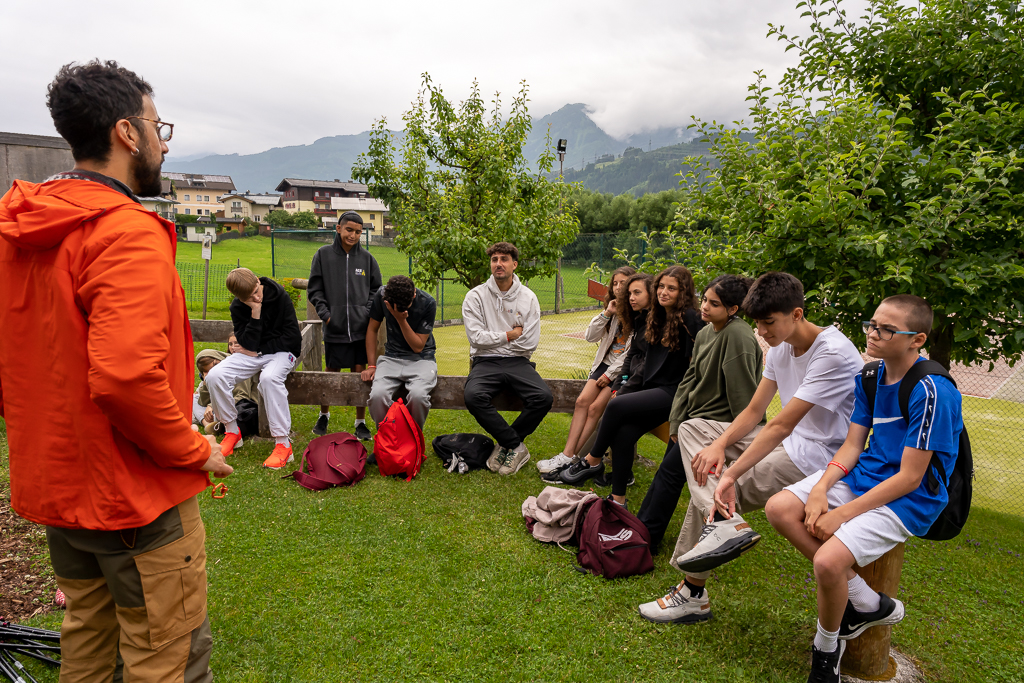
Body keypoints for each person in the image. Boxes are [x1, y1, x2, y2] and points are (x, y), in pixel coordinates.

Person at [0, 59, 231, 681]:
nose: (164, 143)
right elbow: (125, 377)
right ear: (128, 133)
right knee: (167, 657)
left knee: (88, 644)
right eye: (160, 128)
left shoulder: (18, 231)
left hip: (60, 489)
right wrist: (193, 449)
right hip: (136, 498)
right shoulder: (125, 233)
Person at [637, 271, 863, 626]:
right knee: (696, 430)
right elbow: (756, 410)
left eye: (768, 322)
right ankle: (723, 528)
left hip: (819, 456)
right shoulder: (781, 346)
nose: (761, 332)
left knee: (717, 485)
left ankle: (692, 592)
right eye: (757, 322)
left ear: (797, 314)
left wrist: (731, 473)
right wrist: (719, 444)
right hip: (789, 441)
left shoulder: (832, 353)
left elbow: (780, 424)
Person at [765, 295, 962, 682]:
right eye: (872, 325)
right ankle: (866, 600)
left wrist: (840, 514)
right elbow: (853, 445)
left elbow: (911, 477)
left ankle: (826, 649)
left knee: (828, 562)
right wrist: (822, 486)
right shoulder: (870, 377)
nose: (873, 334)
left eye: (886, 330)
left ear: (917, 340)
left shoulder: (933, 391)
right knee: (779, 508)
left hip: (912, 497)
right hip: (866, 474)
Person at [551, 266, 704, 508]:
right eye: (661, 287)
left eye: (671, 288)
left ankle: (592, 460)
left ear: (683, 291)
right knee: (623, 435)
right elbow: (639, 358)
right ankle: (617, 500)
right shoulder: (655, 317)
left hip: (676, 393)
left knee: (616, 405)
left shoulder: (690, 318)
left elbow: (698, 363)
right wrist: (625, 386)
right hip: (652, 389)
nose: (664, 292)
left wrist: (624, 391)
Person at [636, 275, 761, 550]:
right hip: (691, 422)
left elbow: (744, 397)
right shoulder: (705, 332)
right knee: (667, 474)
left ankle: (646, 538)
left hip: (718, 426)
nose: (704, 307)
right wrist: (676, 422)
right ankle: (642, 531)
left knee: (670, 475)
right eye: (704, 299)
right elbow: (688, 380)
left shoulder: (737, 336)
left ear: (733, 309)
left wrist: (728, 441)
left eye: (714, 304)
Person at [462, 242, 553, 475]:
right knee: (473, 396)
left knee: (543, 397)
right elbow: (476, 339)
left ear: (515, 264)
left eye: (504, 259)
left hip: (518, 361)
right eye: (494, 259)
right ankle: (515, 445)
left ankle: (505, 445)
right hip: (485, 360)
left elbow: (529, 342)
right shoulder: (475, 296)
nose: (498, 264)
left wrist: (496, 340)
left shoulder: (528, 298)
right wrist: (509, 335)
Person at [537, 266, 636, 474]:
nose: (618, 287)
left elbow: (632, 353)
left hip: (622, 371)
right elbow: (590, 336)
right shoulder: (613, 310)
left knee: (595, 409)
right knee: (582, 402)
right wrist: (607, 313)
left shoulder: (639, 314)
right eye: (615, 283)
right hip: (604, 364)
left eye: (623, 283)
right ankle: (567, 455)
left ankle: (576, 458)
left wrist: (610, 375)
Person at [207, 267, 301, 469]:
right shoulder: (238, 306)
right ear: (239, 298)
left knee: (269, 378)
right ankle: (232, 431)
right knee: (215, 376)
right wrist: (255, 312)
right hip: (252, 353)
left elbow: (293, 339)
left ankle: (283, 444)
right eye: (249, 298)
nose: (256, 298)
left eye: (257, 291)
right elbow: (247, 342)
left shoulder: (279, 296)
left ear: (258, 281)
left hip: (281, 352)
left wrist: (259, 350)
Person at [307, 211, 382, 439]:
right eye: (349, 230)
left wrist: (366, 312)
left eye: (358, 232)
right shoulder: (323, 255)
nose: (353, 235)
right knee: (331, 373)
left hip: (360, 330)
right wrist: (326, 315)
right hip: (334, 328)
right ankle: (324, 415)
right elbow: (315, 289)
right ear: (338, 228)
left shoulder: (367, 259)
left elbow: (376, 289)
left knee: (360, 374)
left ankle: (360, 422)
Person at [361, 275, 438, 428]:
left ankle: (412, 436)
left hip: (422, 358)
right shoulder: (382, 295)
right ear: (387, 301)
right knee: (377, 396)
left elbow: (418, 346)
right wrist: (371, 365)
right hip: (392, 357)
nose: (402, 310)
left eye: (406, 307)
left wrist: (400, 319)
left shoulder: (428, 303)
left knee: (418, 396)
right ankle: (387, 436)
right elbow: (372, 329)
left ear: (414, 294)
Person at [195, 345, 259, 436]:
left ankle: (214, 424)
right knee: (194, 399)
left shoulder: (237, 366)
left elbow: (243, 397)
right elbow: (203, 401)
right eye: (206, 370)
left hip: (242, 406)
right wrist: (206, 382)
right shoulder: (213, 375)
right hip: (224, 406)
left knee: (197, 407)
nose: (214, 370)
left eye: (215, 365)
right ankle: (210, 424)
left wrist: (212, 405)